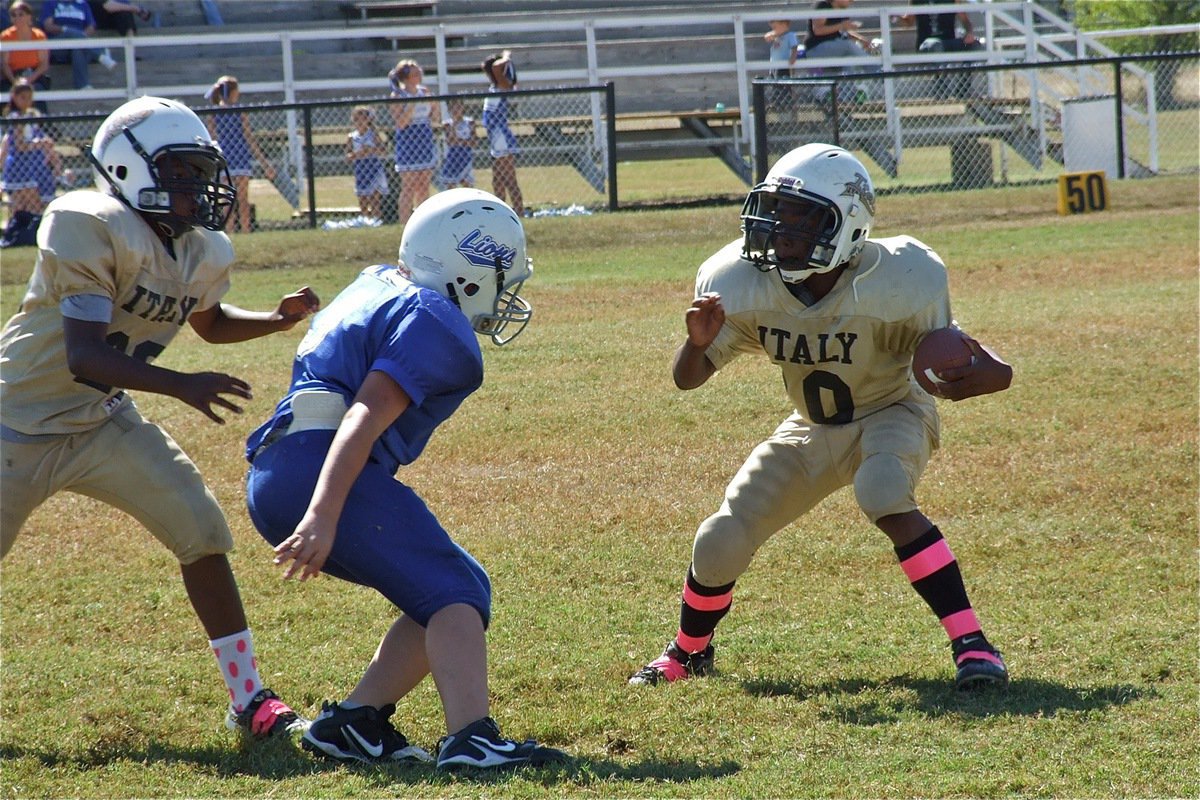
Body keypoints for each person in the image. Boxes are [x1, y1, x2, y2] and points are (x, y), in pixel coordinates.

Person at [628, 143, 1012, 693]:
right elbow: (687, 378)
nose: (781, 229)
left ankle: (973, 644)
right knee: (720, 538)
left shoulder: (902, 274)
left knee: (883, 491)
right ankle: (688, 652)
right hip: (811, 425)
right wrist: (696, 345)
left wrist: (988, 371)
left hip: (892, 410)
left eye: (802, 217)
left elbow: (949, 354)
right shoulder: (737, 278)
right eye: (777, 212)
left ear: (849, 225)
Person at [0, 96, 319, 738]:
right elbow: (86, 354)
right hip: (17, 423)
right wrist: (181, 385)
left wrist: (274, 321)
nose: (196, 188)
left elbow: (207, 321)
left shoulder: (202, 248)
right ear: (127, 169)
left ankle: (252, 702)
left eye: (200, 173)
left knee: (200, 528)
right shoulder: (87, 221)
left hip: (100, 418)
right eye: (179, 173)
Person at [243, 188, 567, 770]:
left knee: (455, 584)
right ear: (468, 272)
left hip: (279, 468)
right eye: (499, 277)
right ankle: (473, 740)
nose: (505, 294)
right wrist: (321, 512)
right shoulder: (436, 319)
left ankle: (354, 722)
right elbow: (364, 415)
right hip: (316, 471)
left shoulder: (377, 282)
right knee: (454, 592)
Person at [205, 75, 276, 234]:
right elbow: (246, 137)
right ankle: (237, 231)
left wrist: (264, 163)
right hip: (229, 158)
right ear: (231, 92)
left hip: (233, 158)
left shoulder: (224, 112)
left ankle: (237, 232)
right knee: (238, 199)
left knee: (232, 199)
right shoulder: (217, 113)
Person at [387, 59, 439, 225]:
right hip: (408, 141)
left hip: (424, 138)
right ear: (406, 78)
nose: (419, 76)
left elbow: (434, 118)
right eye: (415, 74)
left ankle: (423, 223)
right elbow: (401, 123)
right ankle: (404, 223)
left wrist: (434, 104)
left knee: (424, 186)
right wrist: (412, 102)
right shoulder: (398, 95)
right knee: (408, 186)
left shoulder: (424, 91)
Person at [897, 0, 983, 98]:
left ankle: (963, 88)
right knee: (936, 45)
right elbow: (908, 22)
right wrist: (896, 17)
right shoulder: (916, 1)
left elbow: (966, 21)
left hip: (947, 42)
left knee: (974, 44)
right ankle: (941, 89)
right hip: (927, 45)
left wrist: (969, 33)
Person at [0, 79, 60, 217]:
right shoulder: (16, 118)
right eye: (23, 98)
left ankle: (24, 232)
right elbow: (20, 146)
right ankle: (17, 234)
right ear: (14, 97)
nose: (27, 101)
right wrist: (40, 143)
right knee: (22, 207)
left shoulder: (29, 115)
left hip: (29, 164)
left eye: (29, 98)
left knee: (32, 206)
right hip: (19, 165)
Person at [803, 0, 878, 101]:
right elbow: (818, 30)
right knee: (847, 45)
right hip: (817, 49)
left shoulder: (843, 11)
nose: (851, 1)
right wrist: (842, 25)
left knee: (849, 60)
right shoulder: (823, 5)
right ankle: (877, 72)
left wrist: (861, 39)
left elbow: (843, 32)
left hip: (835, 49)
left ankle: (845, 99)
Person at [38, 0, 116, 91]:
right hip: (57, 45)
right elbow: (48, 26)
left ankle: (83, 86)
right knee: (72, 33)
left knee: (78, 46)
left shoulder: (82, 4)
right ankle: (100, 53)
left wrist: (80, 37)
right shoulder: (51, 3)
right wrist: (65, 29)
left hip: (78, 45)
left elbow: (91, 26)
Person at [481, 51, 524, 218]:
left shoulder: (503, 85)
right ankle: (499, 215)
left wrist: (506, 57)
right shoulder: (495, 86)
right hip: (495, 138)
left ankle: (519, 213)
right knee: (497, 180)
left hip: (501, 138)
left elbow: (496, 67)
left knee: (509, 179)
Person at [1, 1, 52, 105]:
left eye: (21, 15)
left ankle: (41, 120)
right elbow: (4, 64)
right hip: (12, 76)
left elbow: (43, 64)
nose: (17, 18)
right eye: (14, 15)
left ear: (29, 17)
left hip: (34, 76)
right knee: (6, 93)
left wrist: (29, 80)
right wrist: (15, 82)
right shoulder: (5, 36)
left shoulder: (39, 36)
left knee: (37, 90)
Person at [345, 104, 387, 226]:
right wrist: (357, 154)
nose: (360, 122)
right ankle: (364, 221)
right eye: (356, 119)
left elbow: (383, 151)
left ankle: (376, 221)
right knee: (363, 200)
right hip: (361, 169)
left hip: (373, 168)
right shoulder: (352, 137)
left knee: (375, 200)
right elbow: (347, 157)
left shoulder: (373, 134)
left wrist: (371, 150)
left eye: (363, 118)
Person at [436, 97, 475, 190]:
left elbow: (473, 142)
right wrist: (454, 123)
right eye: (453, 107)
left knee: (467, 184)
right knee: (450, 184)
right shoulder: (447, 124)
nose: (456, 109)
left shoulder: (469, 122)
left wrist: (460, 142)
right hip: (453, 156)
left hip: (466, 155)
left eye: (458, 106)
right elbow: (451, 142)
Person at [764, 19, 800, 110]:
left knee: (784, 85)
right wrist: (774, 34)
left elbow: (794, 47)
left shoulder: (790, 35)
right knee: (774, 84)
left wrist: (793, 57)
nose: (773, 29)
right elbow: (766, 37)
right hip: (774, 66)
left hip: (783, 66)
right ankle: (776, 103)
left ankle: (786, 103)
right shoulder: (776, 36)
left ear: (784, 24)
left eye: (775, 26)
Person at [88, 0, 152, 37]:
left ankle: (130, 50)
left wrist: (138, 10)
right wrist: (136, 9)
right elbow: (108, 7)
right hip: (93, 18)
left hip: (112, 18)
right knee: (125, 10)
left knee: (125, 13)